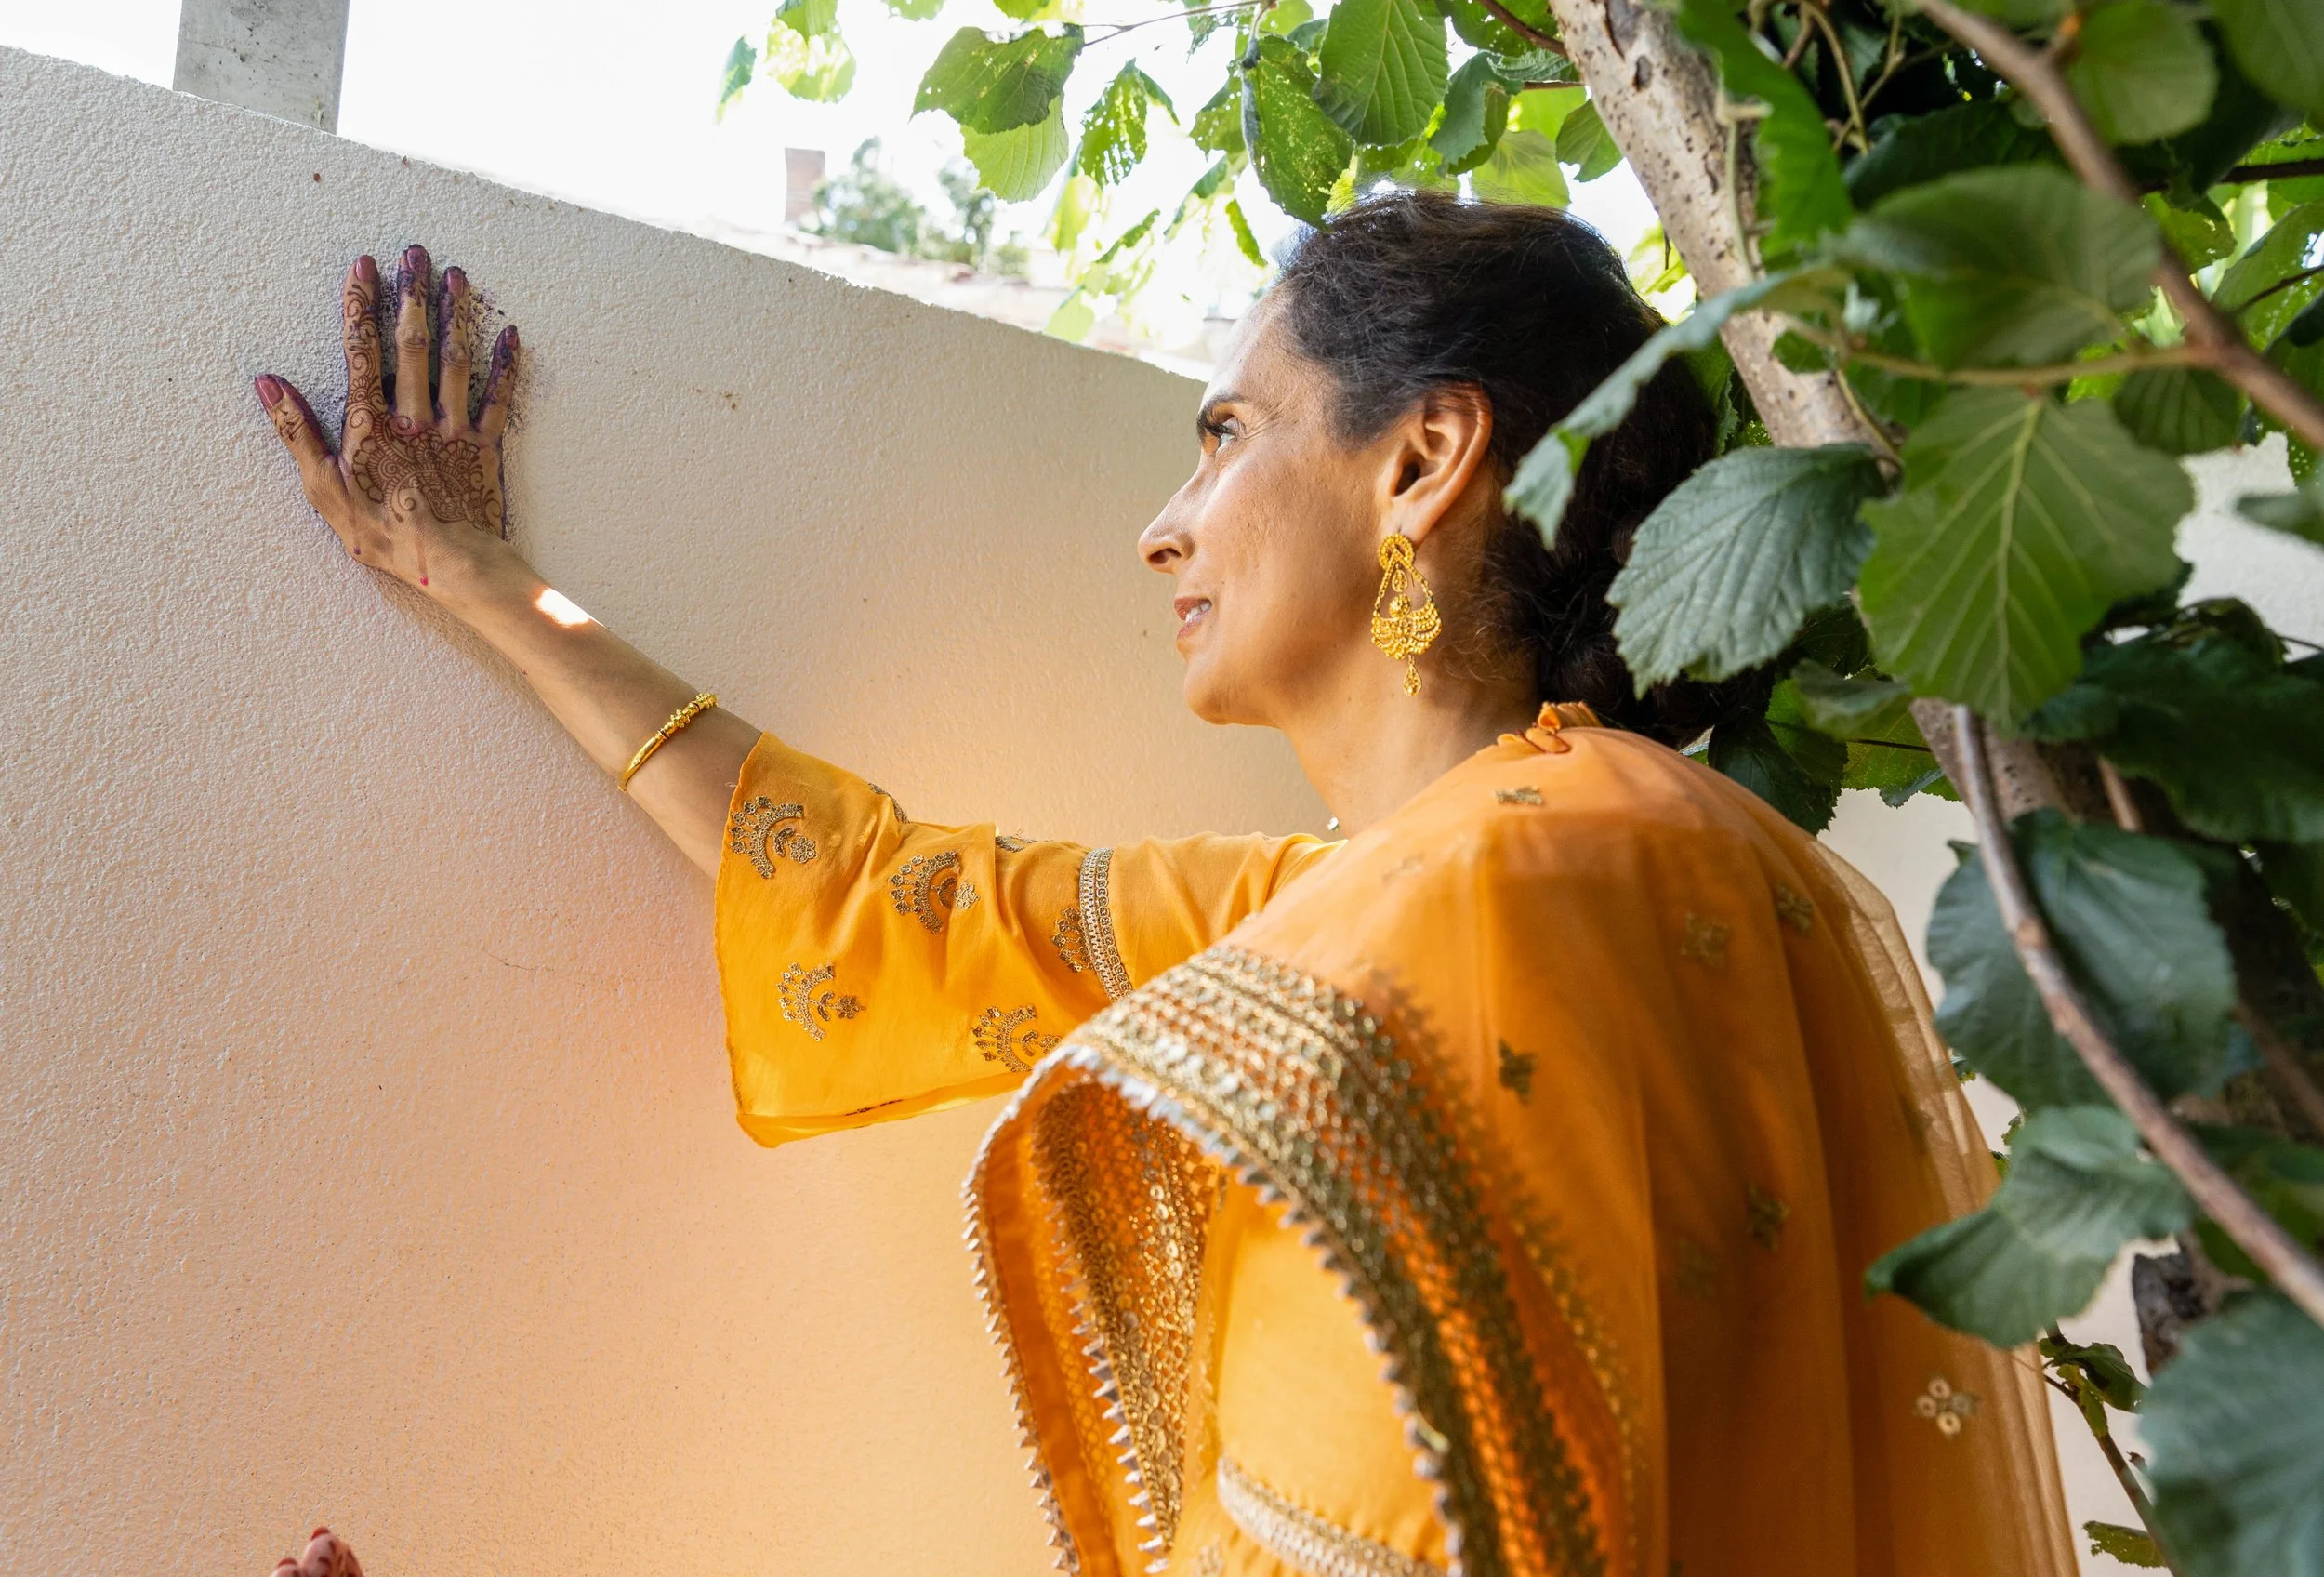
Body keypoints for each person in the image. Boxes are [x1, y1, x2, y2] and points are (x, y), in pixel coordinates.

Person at [253, 193, 2072, 1577]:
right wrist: (493, 584)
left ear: (1420, 457)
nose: (1162, 520)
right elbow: (902, 905)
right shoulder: (1485, 876)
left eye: (1221, 432)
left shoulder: (1497, 896)